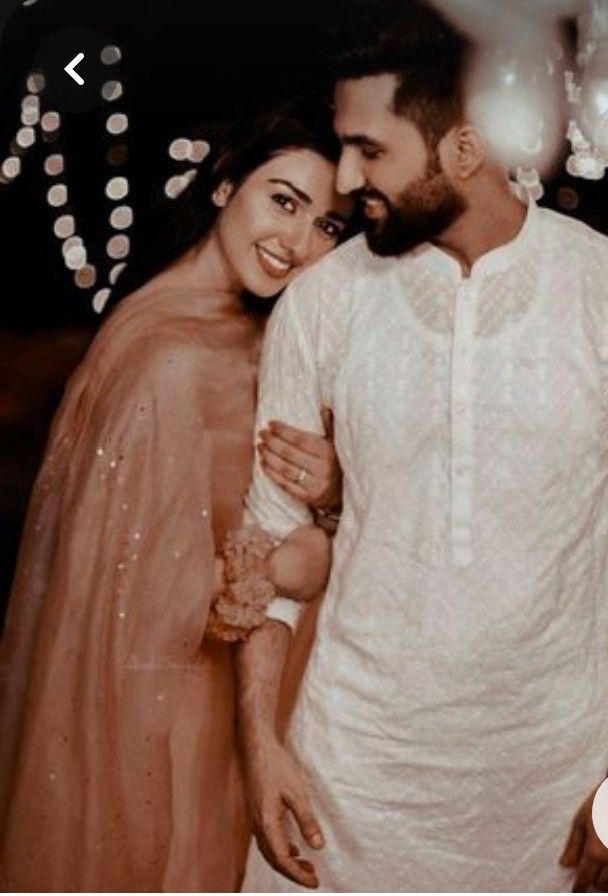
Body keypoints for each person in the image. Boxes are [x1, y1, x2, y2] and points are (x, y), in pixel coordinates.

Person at [236, 2, 608, 892]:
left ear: (464, 148)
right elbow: (269, 537)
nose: (345, 178)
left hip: (561, 796)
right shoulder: (323, 303)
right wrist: (261, 748)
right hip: (350, 794)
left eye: (370, 150)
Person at [0, 103, 353, 892]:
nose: (296, 243)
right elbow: (146, 600)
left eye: (328, 226)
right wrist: (306, 560)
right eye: (283, 201)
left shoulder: (243, 328)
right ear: (225, 184)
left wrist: (329, 491)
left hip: (227, 698)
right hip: (172, 713)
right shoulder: (167, 358)